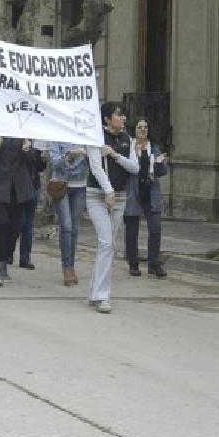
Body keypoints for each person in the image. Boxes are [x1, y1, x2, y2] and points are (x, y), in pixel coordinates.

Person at [85, 102, 139, 313]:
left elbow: (134, 167)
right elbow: (96, 168)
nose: (123, 118)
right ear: (107, 118)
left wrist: (115, 156)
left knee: (108, 246)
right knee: (106, 243)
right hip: (97, 196)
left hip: (120, 197)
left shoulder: (127, 139)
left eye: (124, 115)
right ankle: (102, 296)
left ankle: (94, 291)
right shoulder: (95, 138)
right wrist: (107, 191)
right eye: (119, 115)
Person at [0, 135, 39, 287]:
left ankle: (5, 258)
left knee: (17, 226)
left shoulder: (23, 131)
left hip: (19, 187)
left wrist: (27, 150)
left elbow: (36, 162)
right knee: (2, 223)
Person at [123, 117, 169, 278]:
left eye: (145, 127)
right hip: (133, 189)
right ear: (134, 130)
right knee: (132, 229)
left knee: (155, 228)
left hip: (151, 190)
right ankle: (133, 263)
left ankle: (154, 263)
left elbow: (163, 171)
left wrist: (158, 164)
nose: (143, 130)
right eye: (139, 127)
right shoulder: (128, 147)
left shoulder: (154, 147)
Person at [47, 140, 89, 286]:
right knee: (66, 226)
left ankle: (71, 264)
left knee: (75, 229)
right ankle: (67, 268)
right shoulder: (57, 133)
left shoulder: (83, 132)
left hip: (80, 185)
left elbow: (90, 156)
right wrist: (70, 156)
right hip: (60, 184)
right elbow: (54, 161)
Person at [15, 143, 48, 270]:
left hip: (33, 185)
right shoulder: (17, 141)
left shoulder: (37, 144)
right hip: (18, 185)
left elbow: (40, 167)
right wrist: (24, 151)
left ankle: (25, 257)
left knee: (28, 223)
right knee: (17, 222)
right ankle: (8, 252)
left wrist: (43, 157)